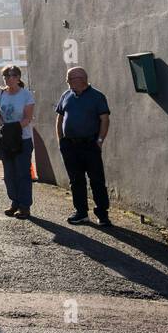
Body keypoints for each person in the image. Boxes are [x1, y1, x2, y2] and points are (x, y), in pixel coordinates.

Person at [55, 66, 112, 226]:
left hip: (90, 144)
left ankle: (102, 214)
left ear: (80, 79)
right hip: (70, 146)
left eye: (69, 79)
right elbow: (59, 119)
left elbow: (105, 119)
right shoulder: (66, 95)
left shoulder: (97, 97)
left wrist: (100, 141)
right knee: (76, 180)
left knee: (97, 180)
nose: (67, 82)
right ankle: (81, 213)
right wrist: (61, 140)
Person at [0, 64, 36, 219]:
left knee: (22, 173)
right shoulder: (1, 93)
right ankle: (14, 203)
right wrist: (3, 127)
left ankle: (25, 207)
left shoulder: (26, 95)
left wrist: (14, 129)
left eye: (12, 76)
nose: (9, 79)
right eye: (6, 76)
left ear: (18, 78)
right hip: (5, 139)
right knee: (9, 174)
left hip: (22, 139)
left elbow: (27, 118)